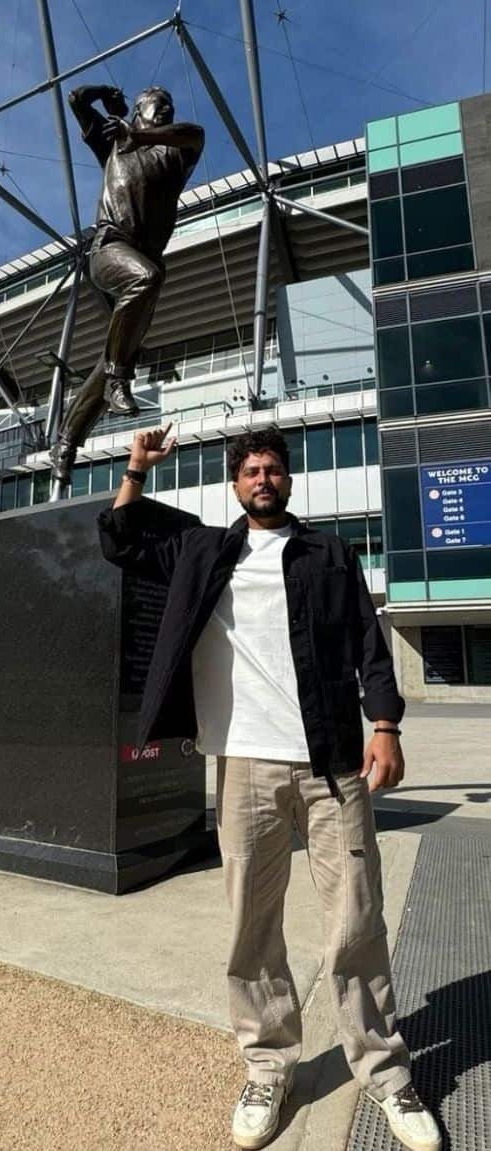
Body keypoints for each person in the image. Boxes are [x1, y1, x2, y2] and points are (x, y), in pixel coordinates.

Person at [99, 424, 440, 1151]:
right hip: (244, 764)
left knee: (355, 920)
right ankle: (268, 1065)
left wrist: (386, 723)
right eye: (251, 469)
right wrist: (136, 465)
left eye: (273, 468)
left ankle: (384, 1069)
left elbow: (368, 646)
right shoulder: (202, 549)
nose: (262, 478)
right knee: (250, 927)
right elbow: (121, 539)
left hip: (331, 763)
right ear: (235, 483)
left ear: (289, 479)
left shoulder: (328, 554)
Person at [50, 85, 203, 489]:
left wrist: (141, 134)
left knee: (111, 354)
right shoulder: (114, 143)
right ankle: (120, 377)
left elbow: (194, 133)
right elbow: (77, 100)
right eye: (159, 104)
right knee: (143, 284)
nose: (167, 110)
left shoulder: (176, 152)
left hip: (149, 261)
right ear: (137, 110)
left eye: (171, 104)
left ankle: (65, 442)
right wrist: (109, 95)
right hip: (110, 249)